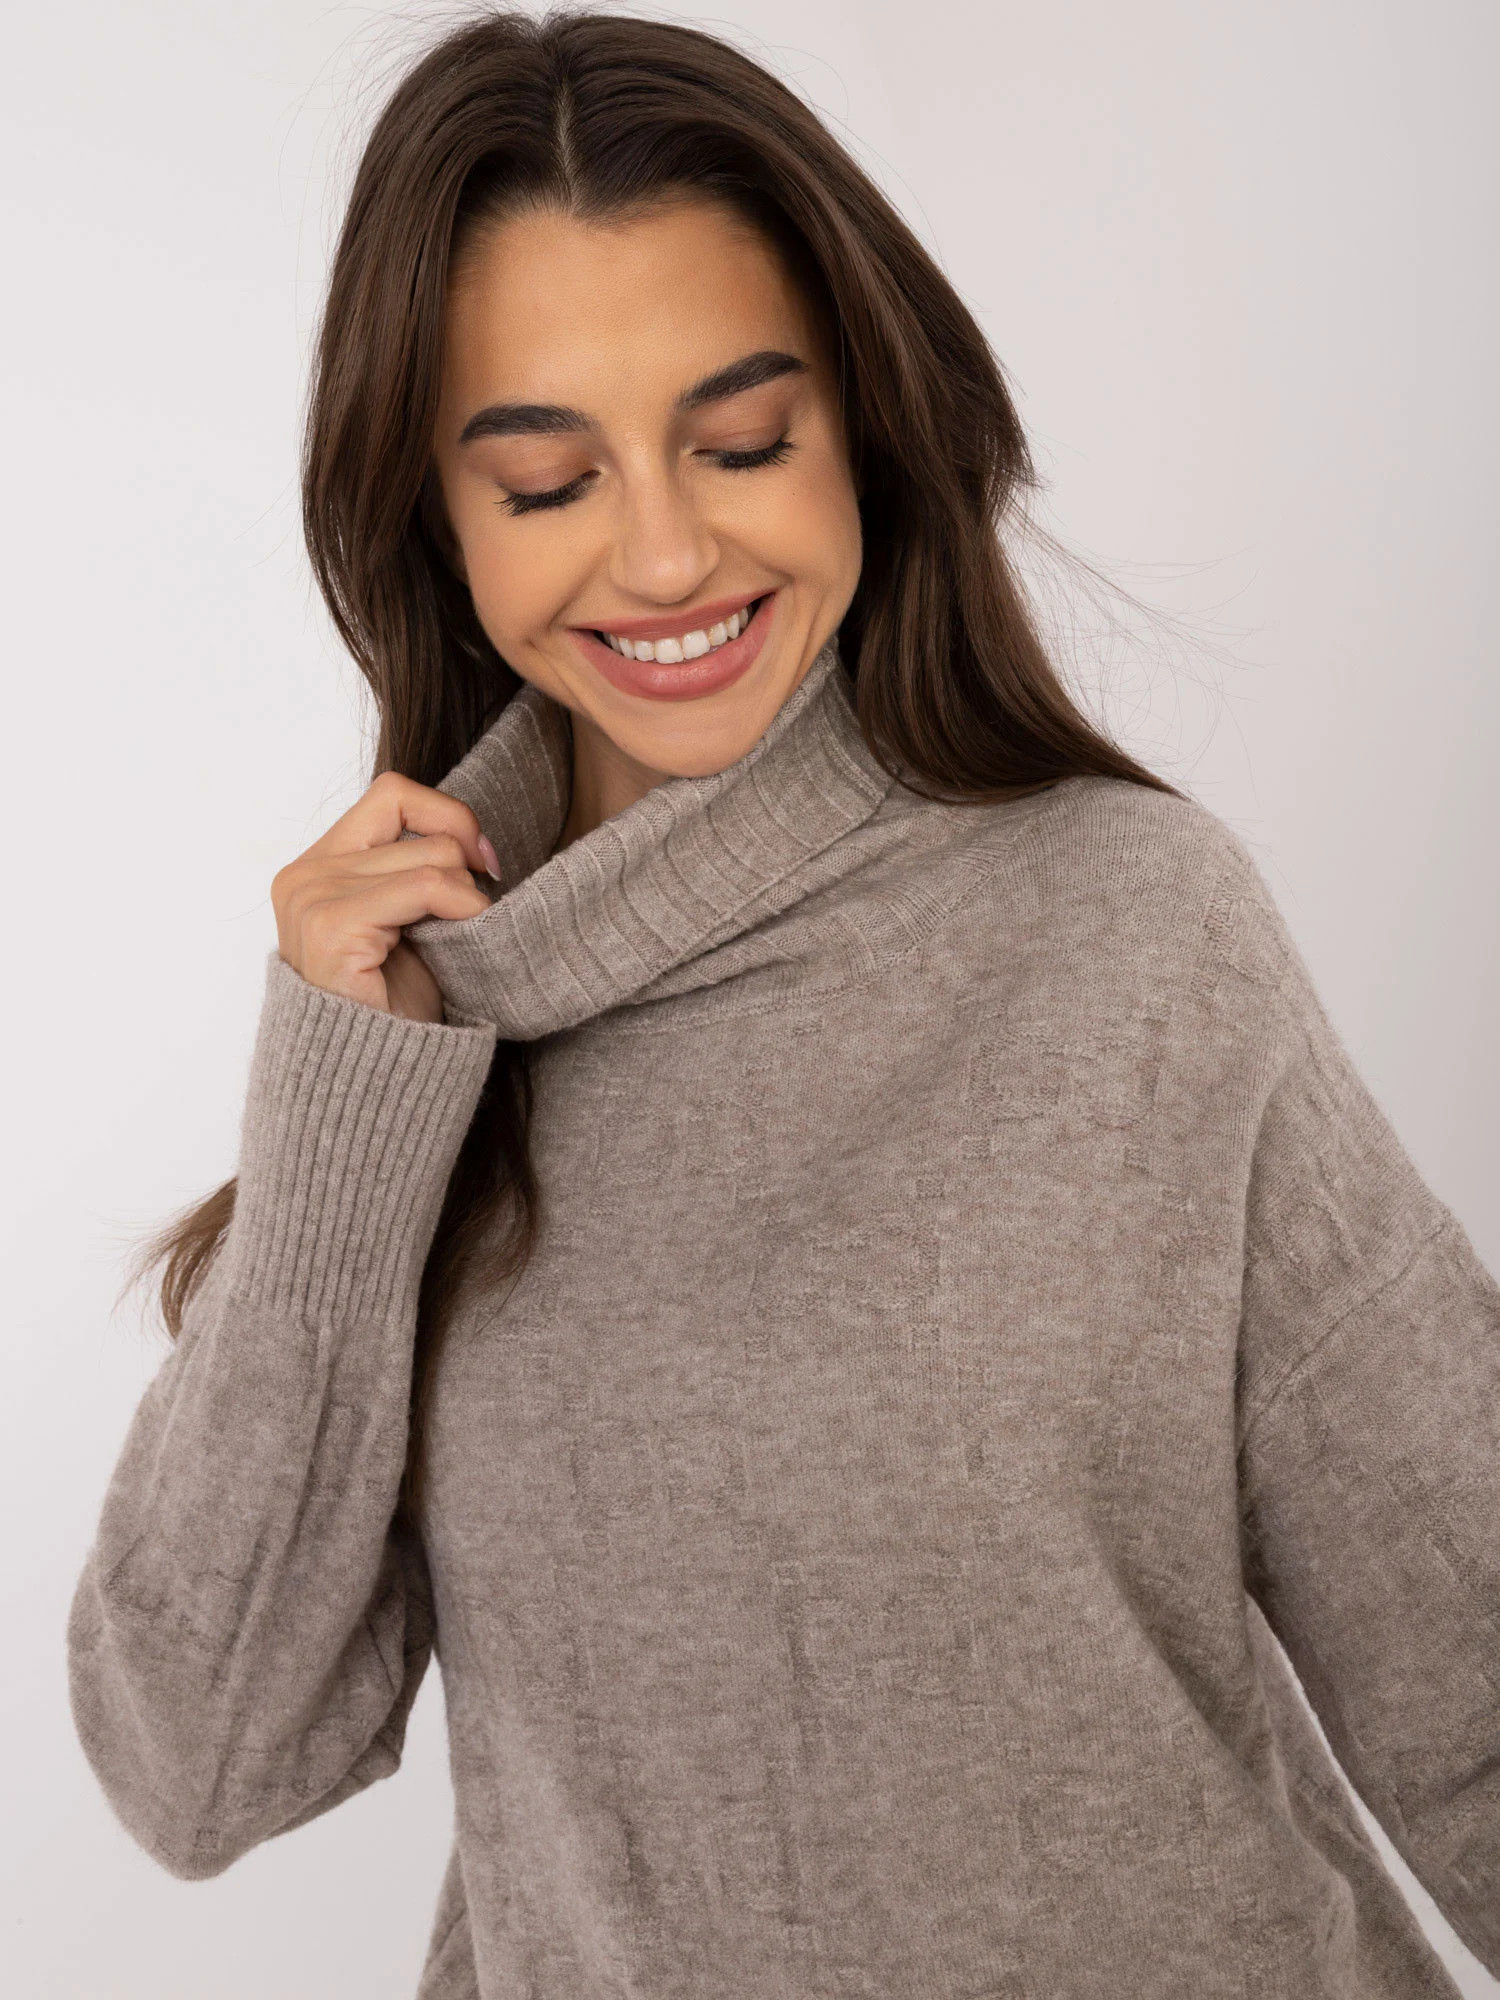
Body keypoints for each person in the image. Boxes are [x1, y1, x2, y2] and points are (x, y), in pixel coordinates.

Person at [67, 10, 1499, 1997]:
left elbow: (1467, 1665)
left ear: (865, 431)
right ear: (438, 524)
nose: (668, 550)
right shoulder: (413, 1045)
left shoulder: (1133, 933)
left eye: (742, 443)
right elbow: (198, 1766)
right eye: (547, 480)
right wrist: (341, 1094)